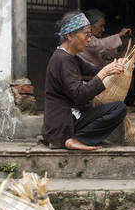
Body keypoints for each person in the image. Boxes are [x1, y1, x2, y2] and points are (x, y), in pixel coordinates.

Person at [42, 11, 127, 151]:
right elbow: (79, 94)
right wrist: (105, 73)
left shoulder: (71, 57)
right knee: (118, 109)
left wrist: (119, 66)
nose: (89, 39)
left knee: (117, 107)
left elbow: (94, 70)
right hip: (62, 124)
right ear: (70, 36)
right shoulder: (62, 59)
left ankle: (80, 137)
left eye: (90, 35)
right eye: (87, 34)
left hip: (73, 116)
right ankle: (75, 140)